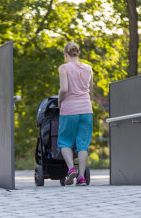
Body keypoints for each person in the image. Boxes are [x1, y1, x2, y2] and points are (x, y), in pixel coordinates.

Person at [57, 41, 93, 186]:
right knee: (83, 144)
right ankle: (82, 177)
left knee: (65, 141)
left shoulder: (63, 67)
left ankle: (71, 169)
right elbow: (90, 89)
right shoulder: (89, 68)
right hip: (86, 109)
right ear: (78, 54)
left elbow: (64, 89)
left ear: (66, 55)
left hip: (69, 110)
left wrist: (60, 101)